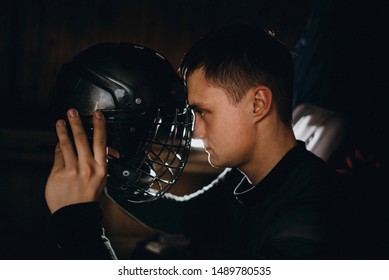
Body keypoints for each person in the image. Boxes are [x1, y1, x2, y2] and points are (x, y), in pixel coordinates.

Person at [45, 24, 343, 259]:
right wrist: (115, 168)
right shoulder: (246, 178)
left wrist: (79, 226)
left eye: (203, 111)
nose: (197, 131)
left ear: (258, 104)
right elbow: (181, 217)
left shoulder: (312, 210)